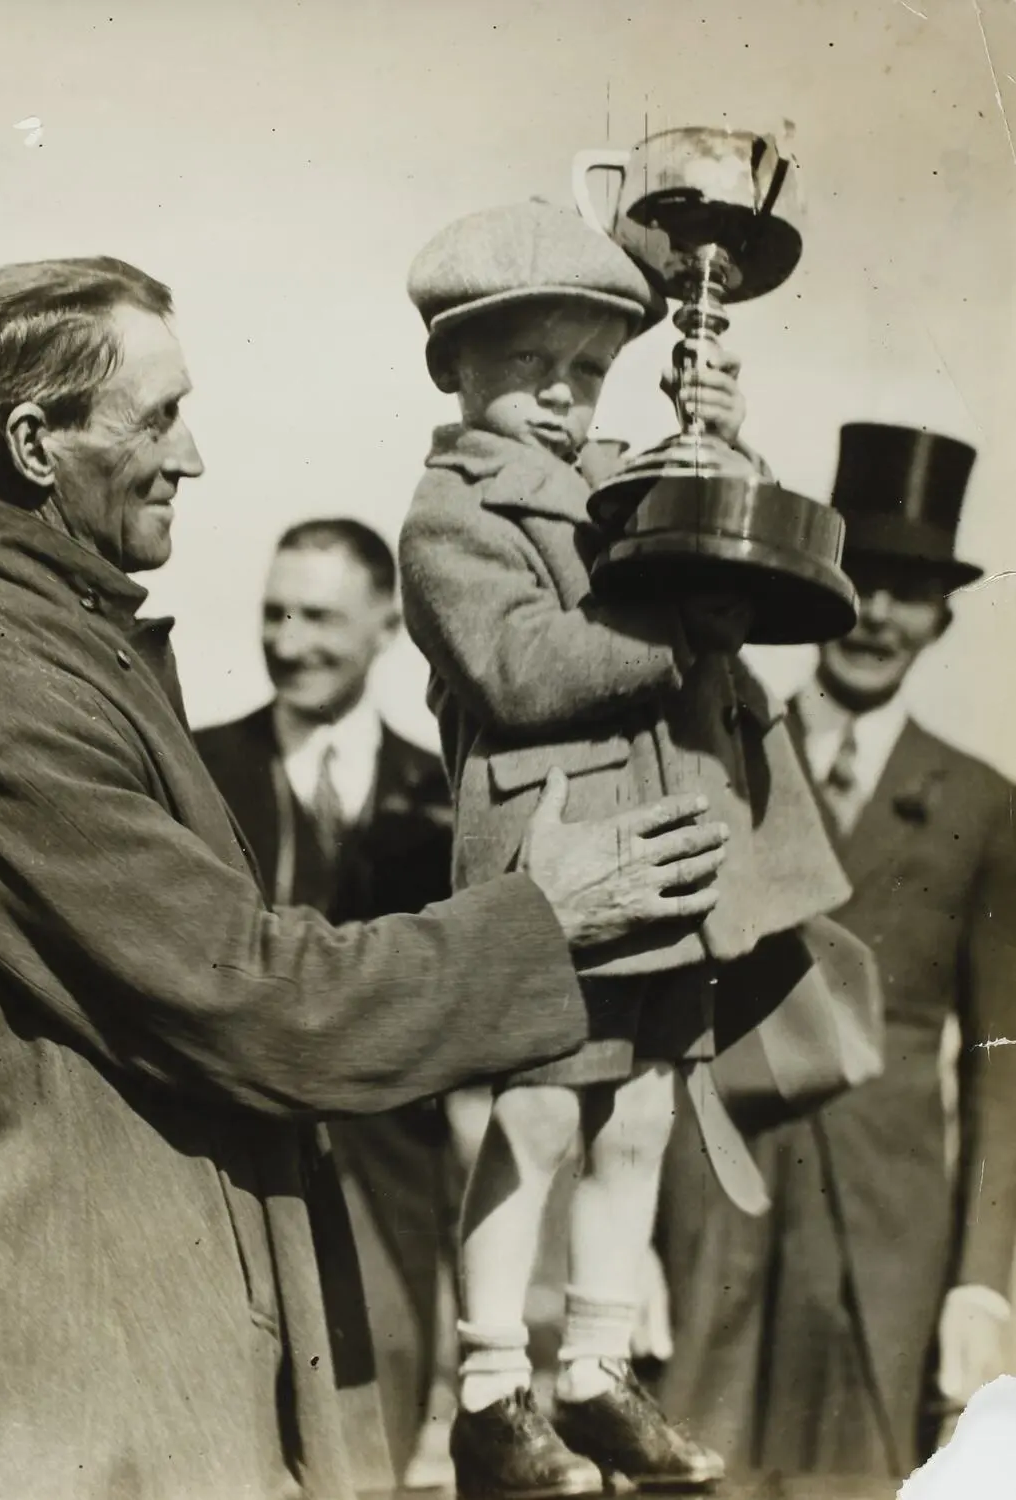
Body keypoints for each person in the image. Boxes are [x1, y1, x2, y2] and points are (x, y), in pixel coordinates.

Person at [0, 255, 734, 1500]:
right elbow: (260, 999)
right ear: (38, 444)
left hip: (125, 1386)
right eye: (157, 418)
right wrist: (544, 918)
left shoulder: (44, 646)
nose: (192, 455)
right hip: (77, 1416)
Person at [398, 200, 853, 1498]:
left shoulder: (610, 481)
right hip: (561, 859)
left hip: (660, 852)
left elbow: (706, 528)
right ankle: (492, 1387)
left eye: (588, 372)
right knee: (541, 1115)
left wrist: (717, 432)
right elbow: (520, 668)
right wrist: (679, 632)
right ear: (452, 371)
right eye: (528, 368)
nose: (561, 396)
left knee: (642, 1110)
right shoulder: (451, 514)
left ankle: (593, 1367)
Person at [653, 422, 1016, 1480]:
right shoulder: (724, 749)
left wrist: (981, 1278)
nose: (883, 614)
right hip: (717, 1187)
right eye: (866, 581)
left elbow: (1002, 1062)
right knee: (693, 1459)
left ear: (942, 616)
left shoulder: (985, 806)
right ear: (822, 591)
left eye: (912, 590)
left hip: (884, 1233)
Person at [195, 518, 455, 1479]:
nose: (289, 641)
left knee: (371, 1457)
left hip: (391, 1198)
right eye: (273, 614)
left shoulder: (442, 792)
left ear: (386, 624)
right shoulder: (196, 768)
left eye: (318, 617)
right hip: (231, 1189)